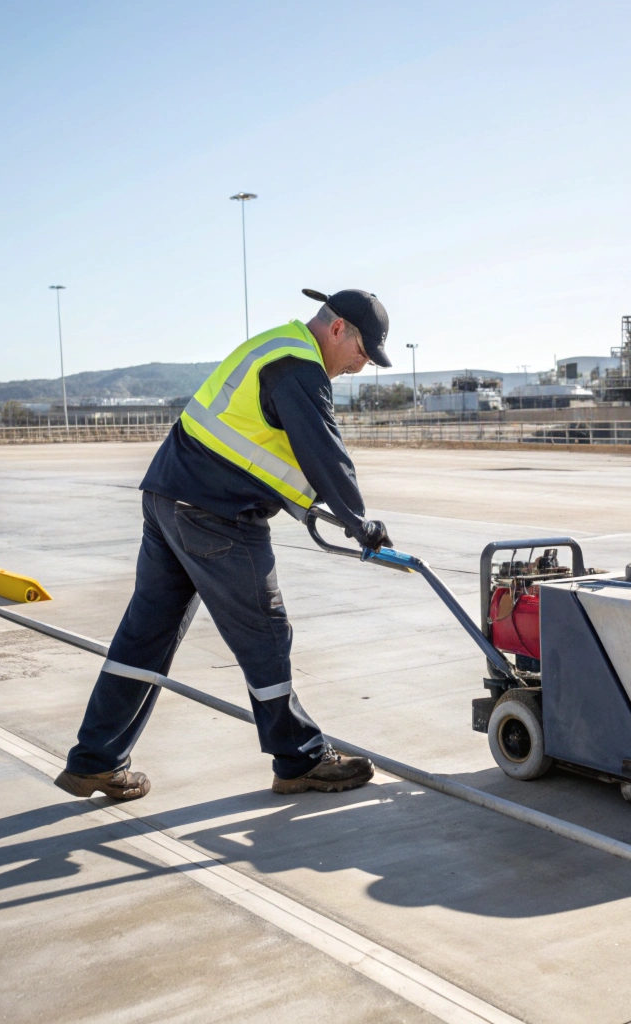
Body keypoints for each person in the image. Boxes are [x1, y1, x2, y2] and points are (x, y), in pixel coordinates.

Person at [53, 288, 393, 801]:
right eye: (363, 352)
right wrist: (359, 521)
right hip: (217, 512)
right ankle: (299, 758)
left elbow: (269, 446)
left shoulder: (278, 346)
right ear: (339, 327)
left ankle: (95, 760)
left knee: (147, 635)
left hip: (169, 496)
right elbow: (323, 450)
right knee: (265, 635)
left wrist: (321, 509)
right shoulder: (300, 366)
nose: (361, 367)